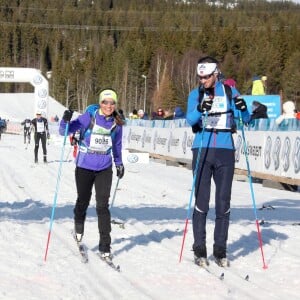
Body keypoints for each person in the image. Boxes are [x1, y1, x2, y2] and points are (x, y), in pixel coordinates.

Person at [186, 56, 251, 267]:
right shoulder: (196, 94)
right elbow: (190, 120)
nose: (202, 80)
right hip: (202, 148)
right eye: (200, 77)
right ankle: (200, 249)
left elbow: (247, 119)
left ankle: (220, 250)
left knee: (223, 202)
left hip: (225, 150)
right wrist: (200, 109)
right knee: (202, 201)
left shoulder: (230, 92)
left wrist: (243, 108)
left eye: (206, 77)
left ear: (216, 74)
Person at [59, 88, 125, 260]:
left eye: (112, 103)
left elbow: (117, 146)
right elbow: (64, 131)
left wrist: (119, 163)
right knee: (83, 200)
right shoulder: (89, 117)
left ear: (115, 104)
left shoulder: (117, 123)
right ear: (100, 103)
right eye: (105, 102)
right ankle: (78, 226)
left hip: (104, 167)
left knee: (102, 206)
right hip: (84, 166)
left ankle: (105, 246)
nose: (108, 106)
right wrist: (65, 120)